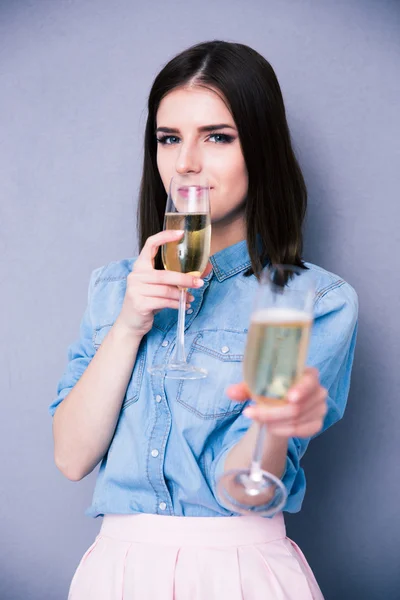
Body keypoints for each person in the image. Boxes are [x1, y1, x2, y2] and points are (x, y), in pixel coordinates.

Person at [49, 40, 358, 599]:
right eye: (169, 139)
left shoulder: (311, 301)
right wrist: (128, 326)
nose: (186, 162)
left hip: (239, 574)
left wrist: (275, 419)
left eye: (218, 137)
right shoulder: (115, 288)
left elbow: (248, 493)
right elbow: (71, 458)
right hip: (115, 575)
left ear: (259, 149)